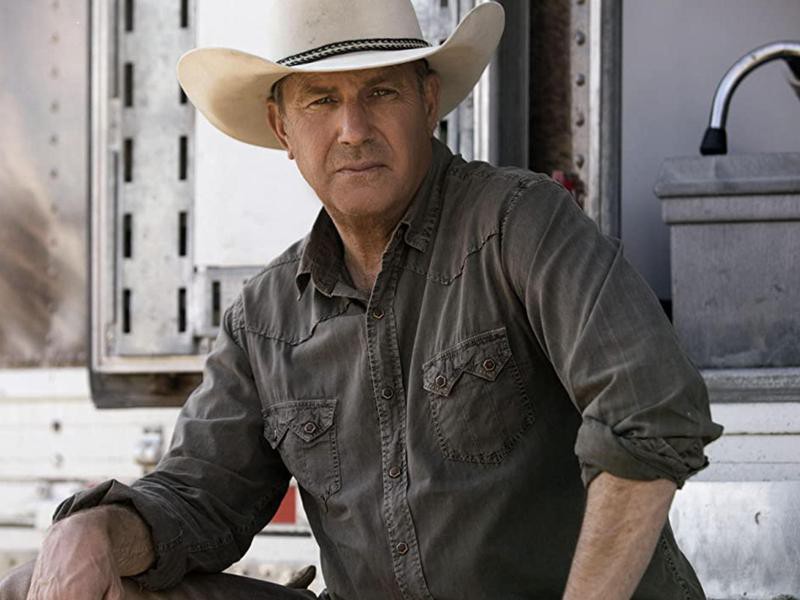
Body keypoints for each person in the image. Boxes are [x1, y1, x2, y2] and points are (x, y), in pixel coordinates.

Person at [0, 1, 723, 598]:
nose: (353, 129)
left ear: (428, 101)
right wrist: (93, 529)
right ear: (283, 128)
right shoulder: (264, 320)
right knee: (80, 580)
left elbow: (651, 410)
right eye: (322, 100)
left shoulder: (517, 224)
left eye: (380, 92)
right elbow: (197, 501)